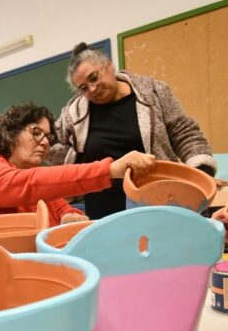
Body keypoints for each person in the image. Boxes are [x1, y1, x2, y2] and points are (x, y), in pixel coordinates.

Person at [46, 42, 217, 219]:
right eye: (83, 88)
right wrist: (78, 160)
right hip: (103, 212)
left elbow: (185, 133)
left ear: (109, 65)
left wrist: (201, 173)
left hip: (158, 201)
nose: (92, 89)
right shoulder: (73, 113)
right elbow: (47, 144)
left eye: (94, 77)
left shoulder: (153, 92)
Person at [0, 103, 155, 226]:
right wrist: (110, 169)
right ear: (11, 134)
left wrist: (69, 216)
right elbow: (31, 183)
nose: (45, 142)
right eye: (36, 132)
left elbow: (61, 207)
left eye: (48, 136)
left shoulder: (40, 184)